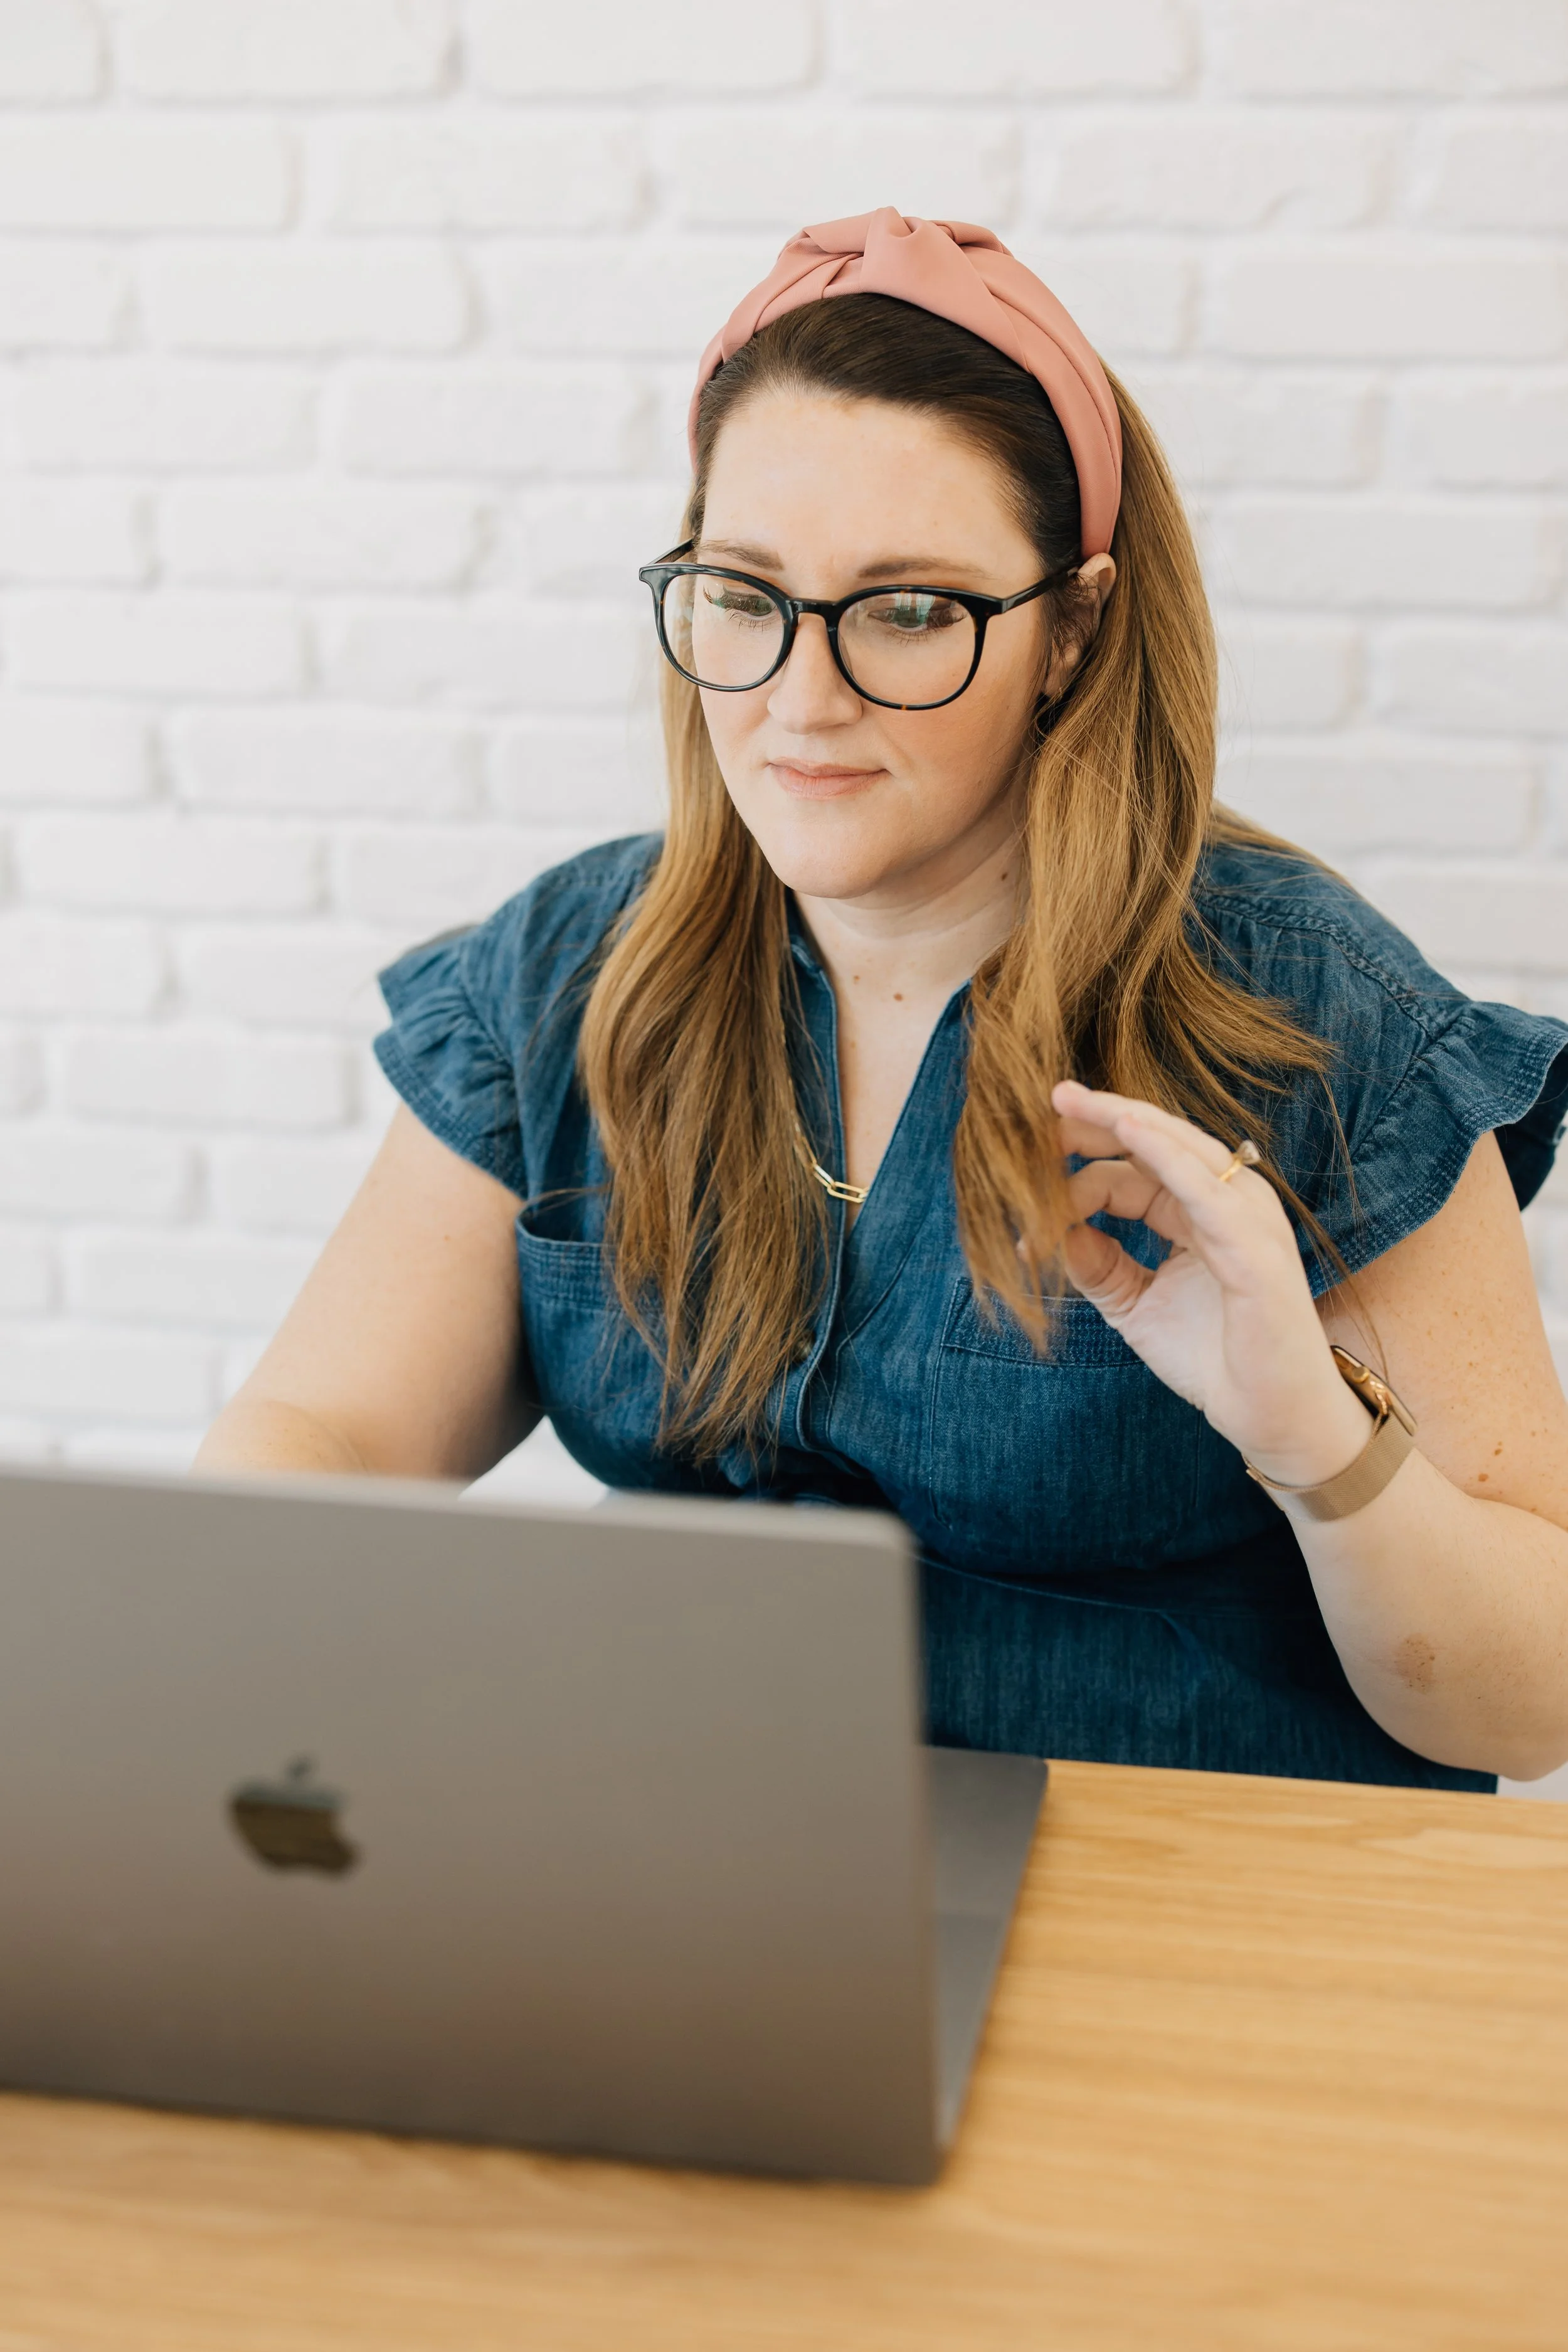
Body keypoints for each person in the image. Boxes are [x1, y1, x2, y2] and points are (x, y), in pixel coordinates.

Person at [196, 209, 1568, 1794]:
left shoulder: (1313, 1020)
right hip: (703, 1893)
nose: (799, 695)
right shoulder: (570, 970)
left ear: (1073, 628)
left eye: (909, 610)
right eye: (743, 591)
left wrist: (1313, 1439)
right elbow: (329, 1432)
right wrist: (232, 1628)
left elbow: (1528, 1709)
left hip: (1197, 1912)